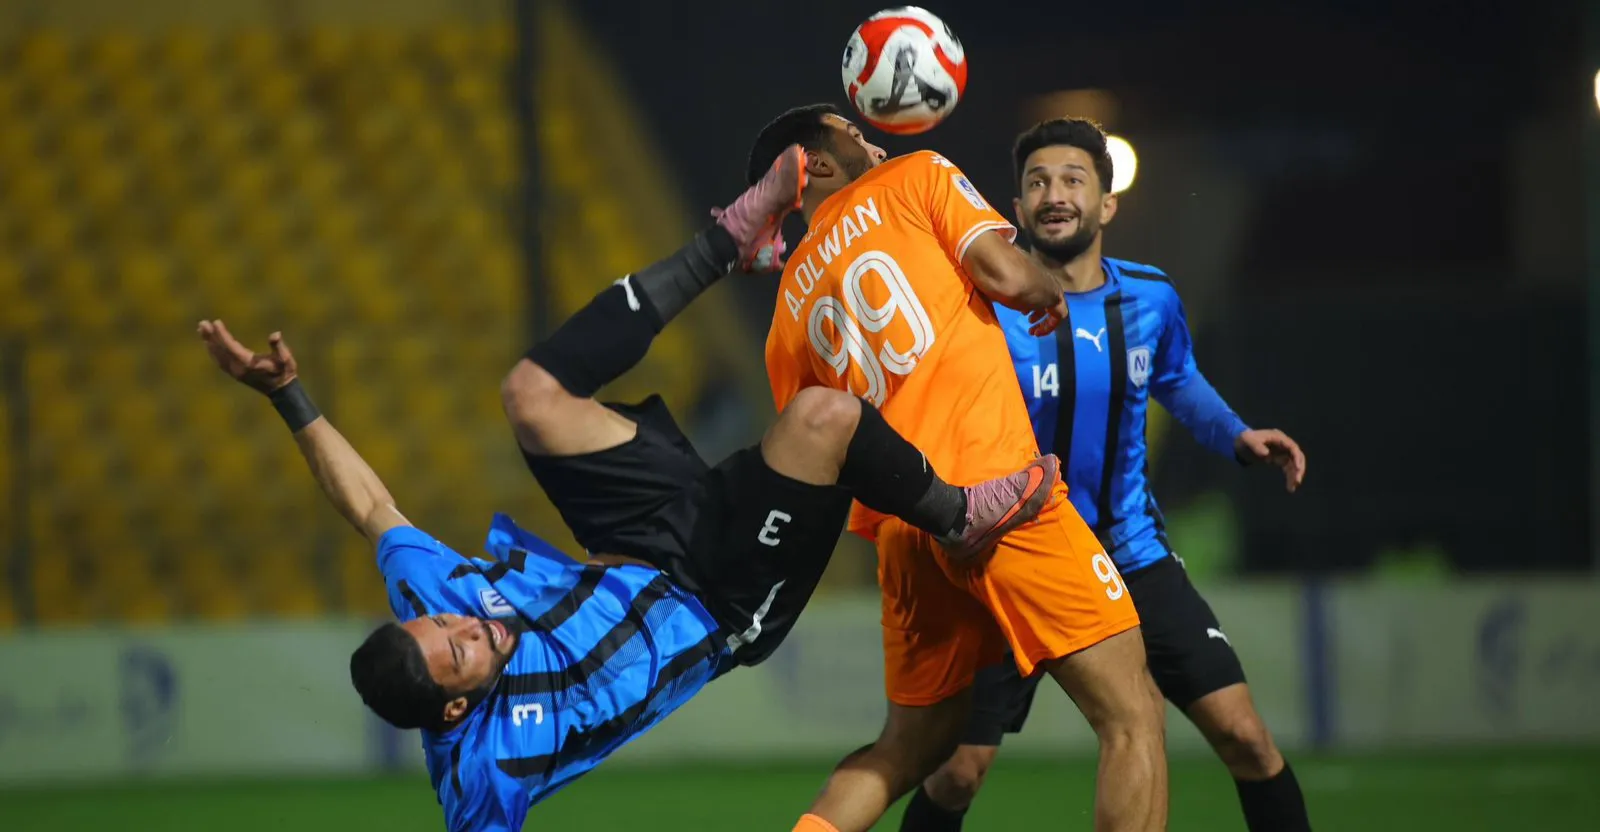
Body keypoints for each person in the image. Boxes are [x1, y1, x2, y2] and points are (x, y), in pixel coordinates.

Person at [195, 147, 1060, 832]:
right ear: (456, 704)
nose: (468, 624)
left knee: (530, 396)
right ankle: (957, 518)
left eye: (441, 622)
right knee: (823, 417)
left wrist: (287, 396)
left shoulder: (441, 600)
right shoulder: (485, 770)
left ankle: (731, 240)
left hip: (637, 539)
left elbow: (370, 508)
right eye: (458, 649)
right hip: (717, 596)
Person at [749, 104, 1169, 832]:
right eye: (852, 133)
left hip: (908, 538)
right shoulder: (917, 175)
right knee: (1132, 715)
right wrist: (1045, 295)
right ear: (811, 163)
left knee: (907, 749)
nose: (872, 139)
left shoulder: (787, 311)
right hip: (1000, 493)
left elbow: (816, 454)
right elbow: (1007, 273)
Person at [902, 117, 1312, 832]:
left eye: (1072, 180)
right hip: (1014, 560)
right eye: (1037, 183)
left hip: (1130, 555)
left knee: (1245, 737)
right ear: (1016, 208)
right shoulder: (978, 308)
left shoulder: (1150, 299)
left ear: (1107, 204)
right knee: (958, 772)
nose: (1054, 195)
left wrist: (1239, 436)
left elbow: (1177, 378)